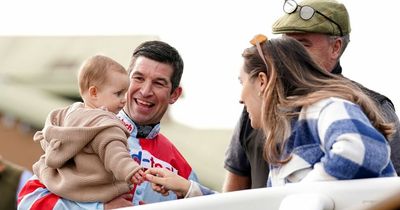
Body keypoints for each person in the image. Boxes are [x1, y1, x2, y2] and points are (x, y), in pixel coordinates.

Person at [146, 36, 397, 198]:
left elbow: (365, 149)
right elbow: (261, 206)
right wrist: (189, 190)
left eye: (241, 82)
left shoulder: (324, 108)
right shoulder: (281, 144)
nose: (240, 98)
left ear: (262, 82)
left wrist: (301, 198)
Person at [223, 0, 400, 192]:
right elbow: (235, 193)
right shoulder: (256, 109)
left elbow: (390, 188)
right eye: (285, 44)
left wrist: (299, 198)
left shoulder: (371, 105)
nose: (288, 55)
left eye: (301, 45)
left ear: (336, 47)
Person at [17, 41, 199, 210]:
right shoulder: (85, 129)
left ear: (175, 94)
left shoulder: (183, 173)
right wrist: (98, 208)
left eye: (159, 83)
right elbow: (28, 201)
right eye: (138, 78)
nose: (145, 91)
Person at [30, 55, 145, 203]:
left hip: (63, 186)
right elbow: (115, 153)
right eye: (118, 93)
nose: (124, 99)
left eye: (125, 93)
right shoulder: (105, 124)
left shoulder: (65, 115)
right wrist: (130, 169)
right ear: (94, 93)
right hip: (96, 192)